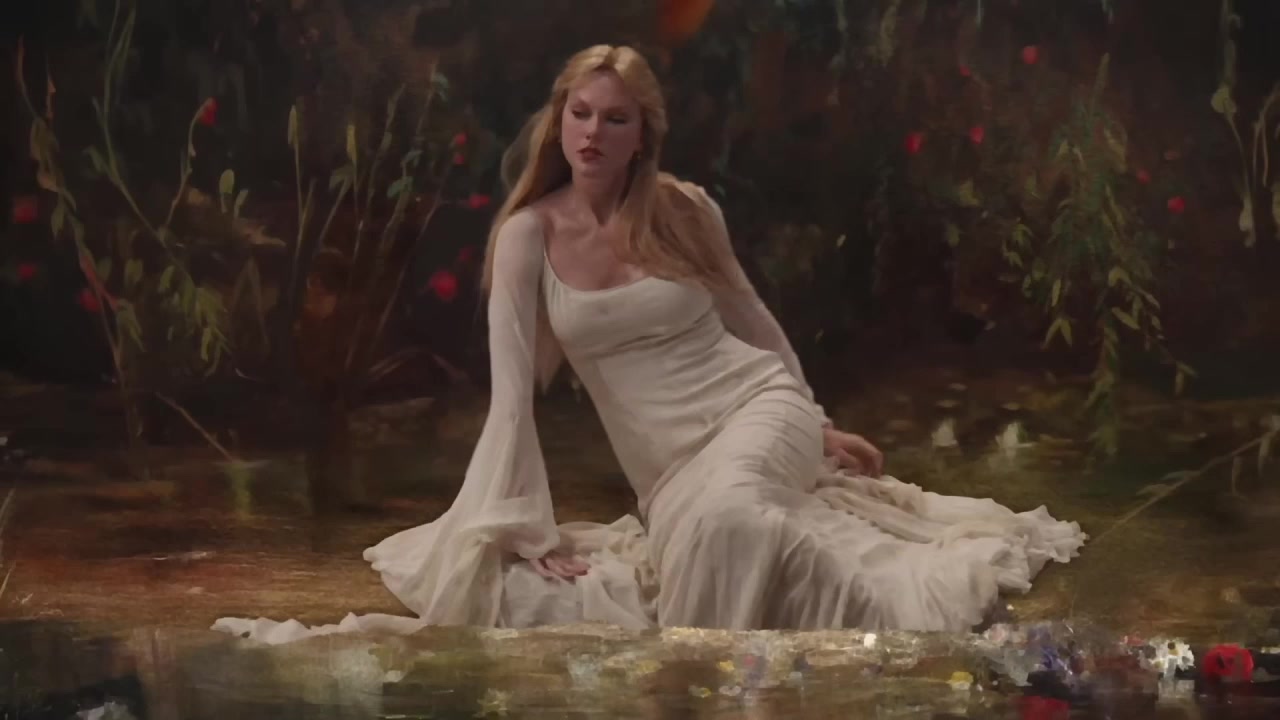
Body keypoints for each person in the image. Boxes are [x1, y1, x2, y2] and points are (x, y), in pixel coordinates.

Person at [213, 44, 1085, 644]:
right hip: (667, 472)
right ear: (560, 122)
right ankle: (739, 663)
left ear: (643, 136)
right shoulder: (526, 238)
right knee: (716, 531)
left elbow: (753, 322)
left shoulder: (684, 209)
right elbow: (512, 398)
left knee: (735, 518)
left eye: (616, 119)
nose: (593, 133)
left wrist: (815, 422)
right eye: (581, 113)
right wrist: (525, 524)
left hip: (757, 406)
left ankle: (712, 675)